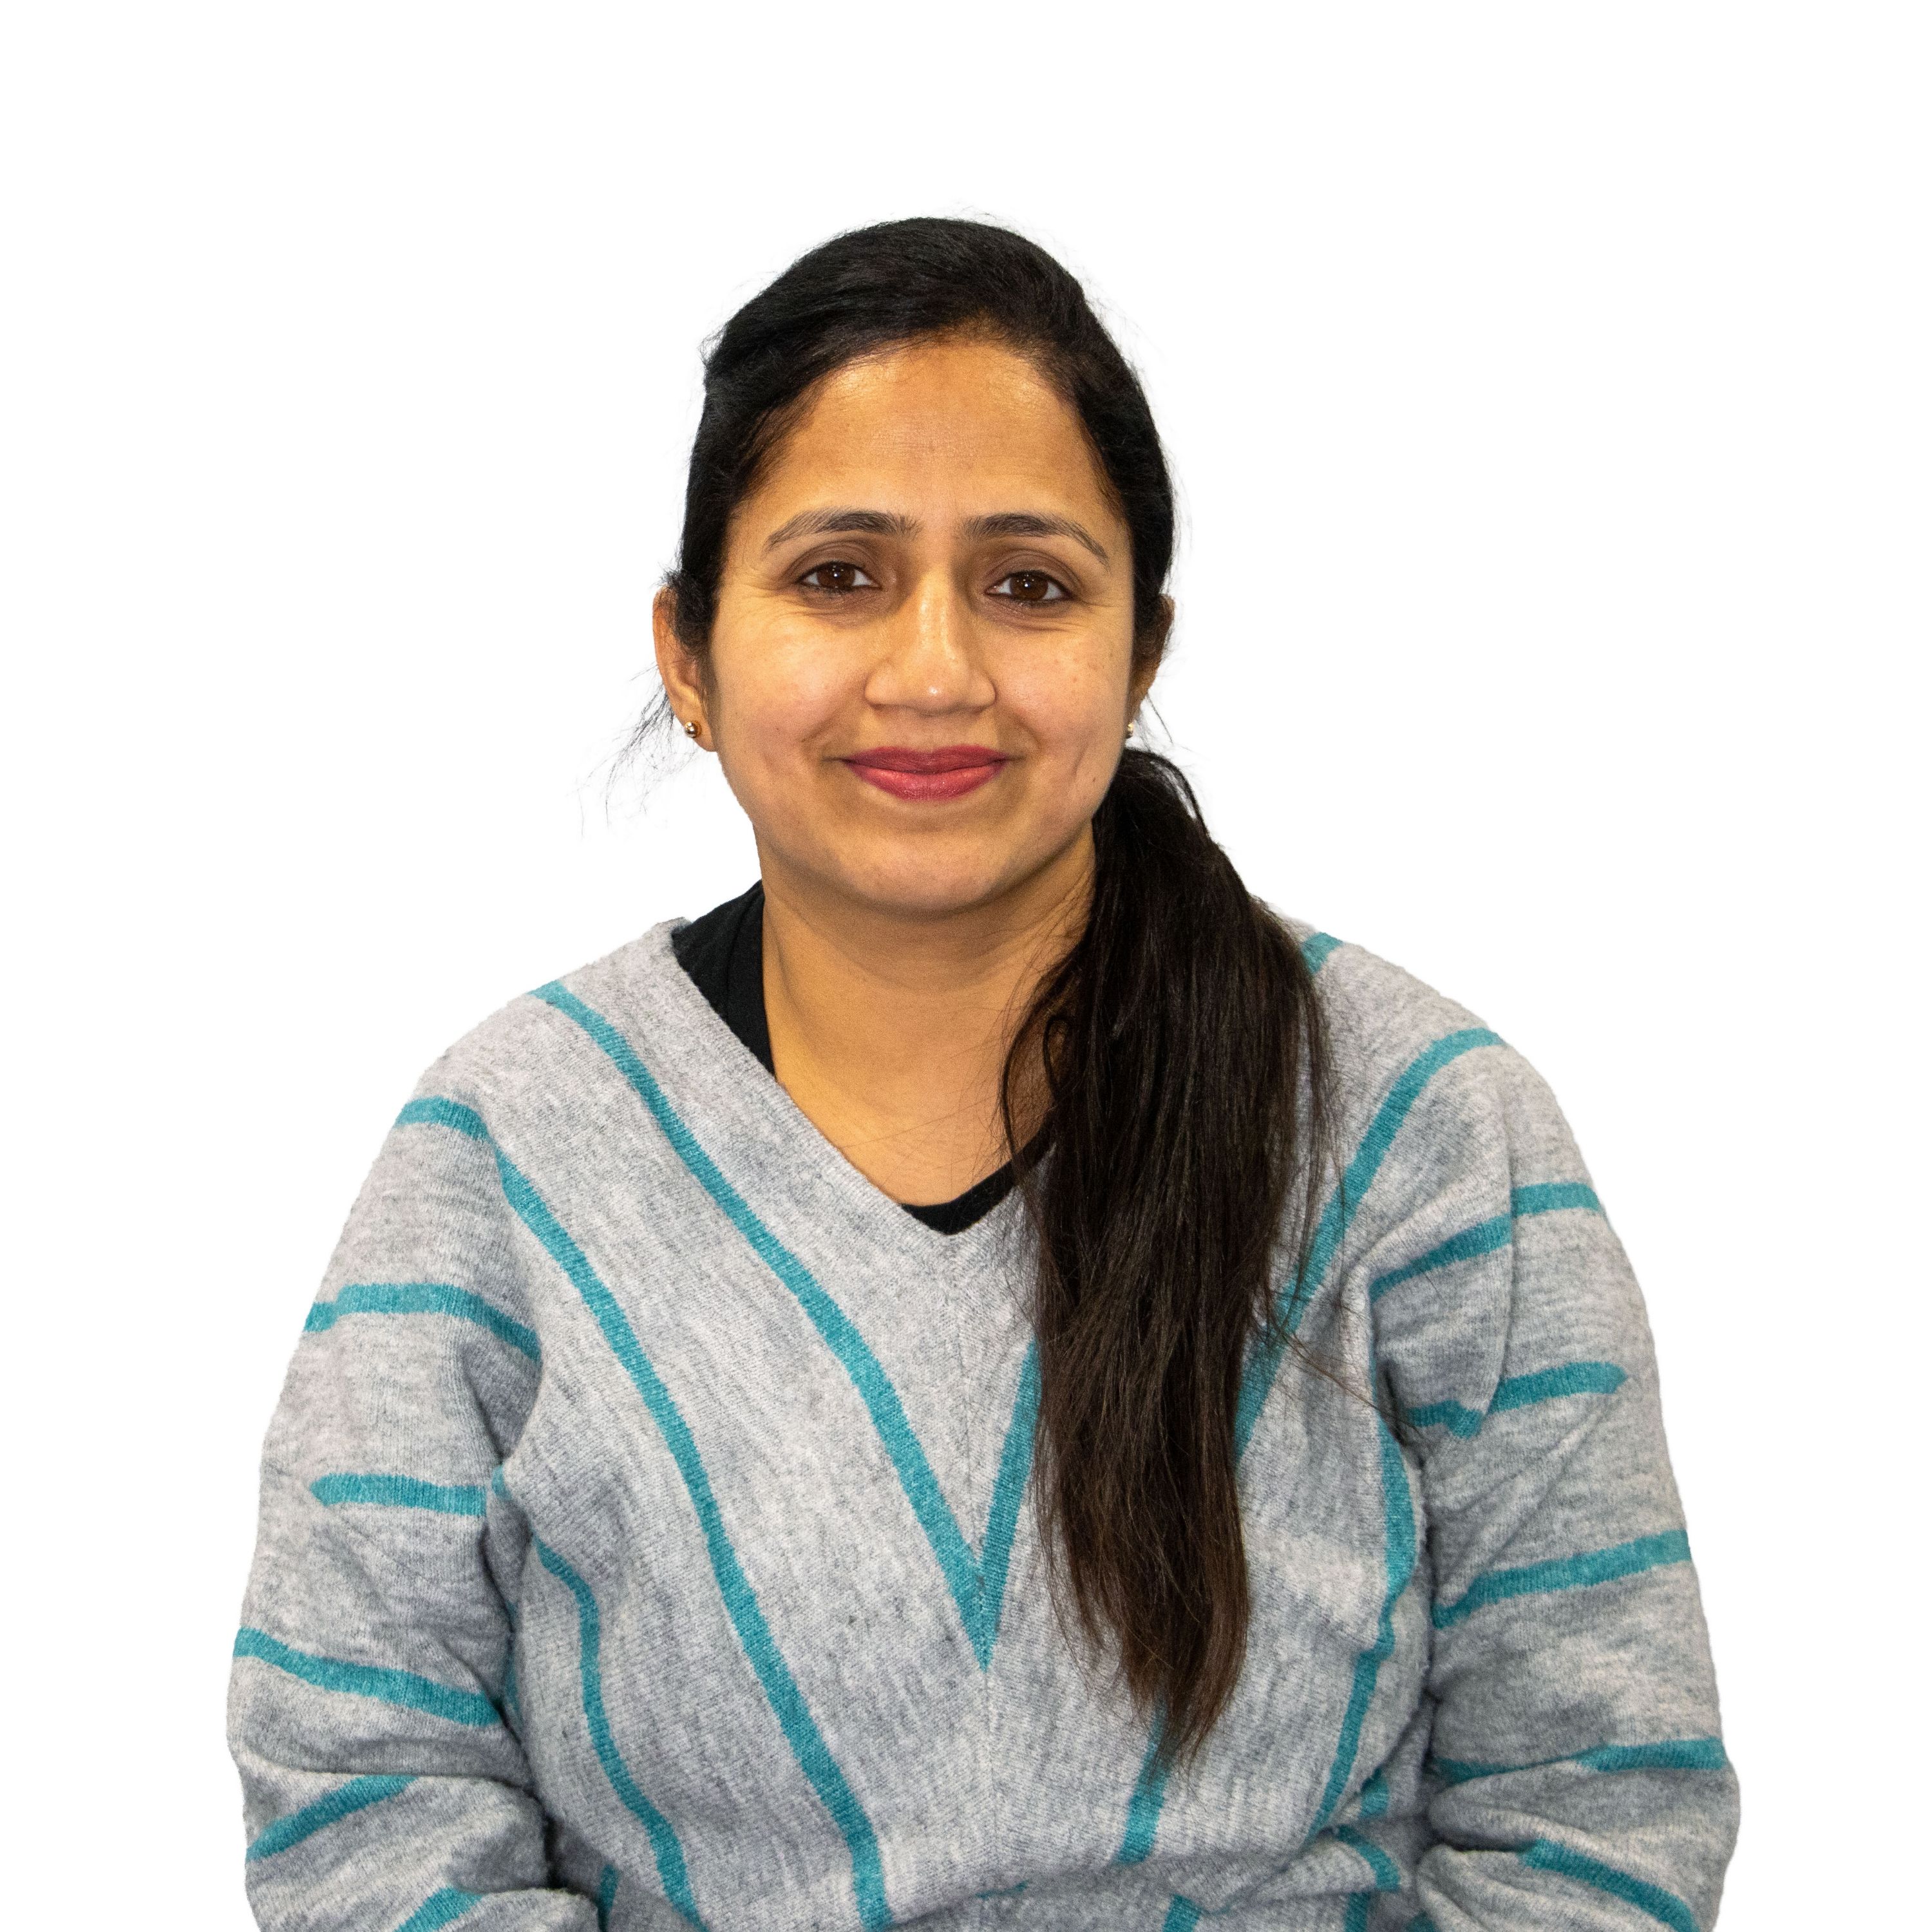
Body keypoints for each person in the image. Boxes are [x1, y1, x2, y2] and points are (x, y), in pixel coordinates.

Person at [227, 218, 1739, 1932]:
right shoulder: (505, 1154)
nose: (936, 671)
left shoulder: (1421, 1131)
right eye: (837, 576)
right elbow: (361, 1797)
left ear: (1140, 651)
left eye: (1029, 585)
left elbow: (1597, 1811)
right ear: (688, 654)